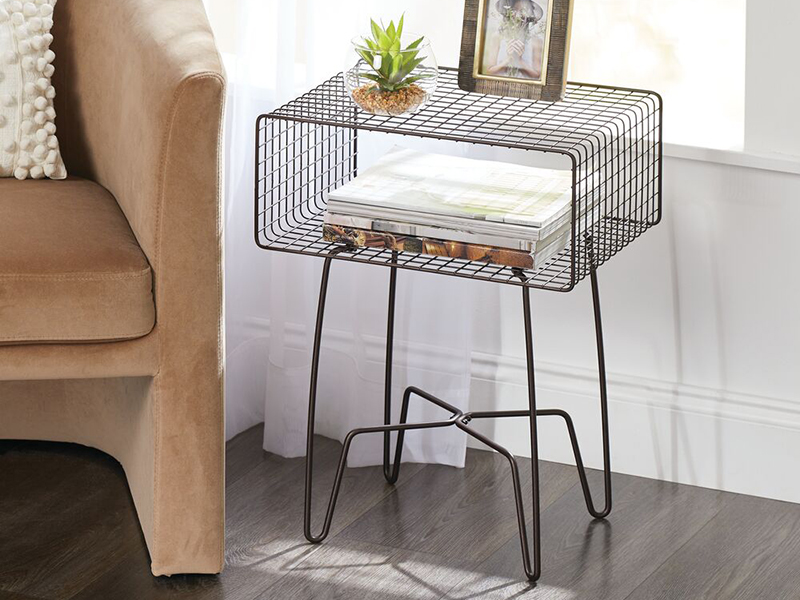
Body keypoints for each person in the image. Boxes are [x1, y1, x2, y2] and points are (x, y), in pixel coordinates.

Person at [482, 0, 545, 80]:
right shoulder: (497, 36)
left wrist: (519, 60)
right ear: (508, 12)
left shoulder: (536, 40)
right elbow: (490, 71)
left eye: (523, 11)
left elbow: (537, 75)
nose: (518, 15)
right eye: (514, 10)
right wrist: (509, 59)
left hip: (525, 88)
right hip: (500, 85)